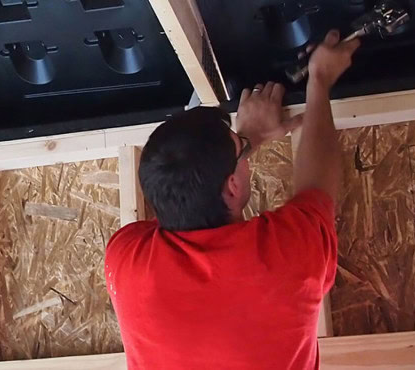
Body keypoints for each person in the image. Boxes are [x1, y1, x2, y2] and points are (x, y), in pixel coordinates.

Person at [104, 30, 360, 369]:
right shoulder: (287, 257)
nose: (246, 151)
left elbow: (181, 190)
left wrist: (242, 143)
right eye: (243, 150)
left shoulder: (126, 261)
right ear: (232, 187)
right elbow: (319, 183)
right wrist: (320, 79)